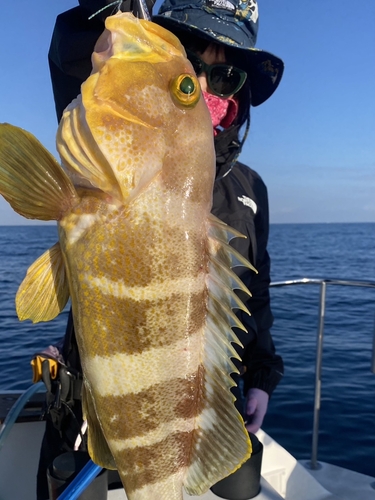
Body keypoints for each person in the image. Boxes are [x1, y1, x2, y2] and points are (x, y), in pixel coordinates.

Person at [37, 0, 284, 498]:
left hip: (196, 407)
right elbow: (77, 51)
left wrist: (262, 378)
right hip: (94, 394)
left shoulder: (250, 189)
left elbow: (255, 292)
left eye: (228, 77)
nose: (209, 87)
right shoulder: (109, 139)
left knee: (240, 483)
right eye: (190, 65)